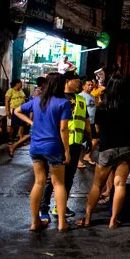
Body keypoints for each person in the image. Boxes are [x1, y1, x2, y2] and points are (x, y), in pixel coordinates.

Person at [77, 77, 130, 228]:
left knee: (97, 185)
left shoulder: (102, 107)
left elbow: (97, 129)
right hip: (126, 147)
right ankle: (114, 220)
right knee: (120, 184)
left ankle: (87, 218)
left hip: (107, 149)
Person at [15, 72, 72, 232]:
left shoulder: (37, 100)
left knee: (38, 182)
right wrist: (67, 151)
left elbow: (17, 111)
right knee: (58, 183)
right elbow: (63, 129)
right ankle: (62, 223)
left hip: (36, 147)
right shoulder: (63, 103)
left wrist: (31, 122)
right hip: (53, 147)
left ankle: (35, 222)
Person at [40, 70, 92, 221]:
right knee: (53, 178)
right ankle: (43, 208)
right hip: (58, 144)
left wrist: (89, 138)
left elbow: (86, 121)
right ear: (68, 81)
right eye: (77, 80)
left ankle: (60, 206)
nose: (79, 83)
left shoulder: (81, 100)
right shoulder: (57, 99)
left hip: (75, 143)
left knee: (69, 177)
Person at [80, 78, 98, 166]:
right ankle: (78, 161)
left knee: (95, 140)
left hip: (92, 123)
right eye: (88, 85)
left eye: (92, 85)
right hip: (83, 123)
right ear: (83, 86)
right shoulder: (80, 96)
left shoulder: (92, 97)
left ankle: (87, 155)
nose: (91, 86)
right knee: (79, 143)